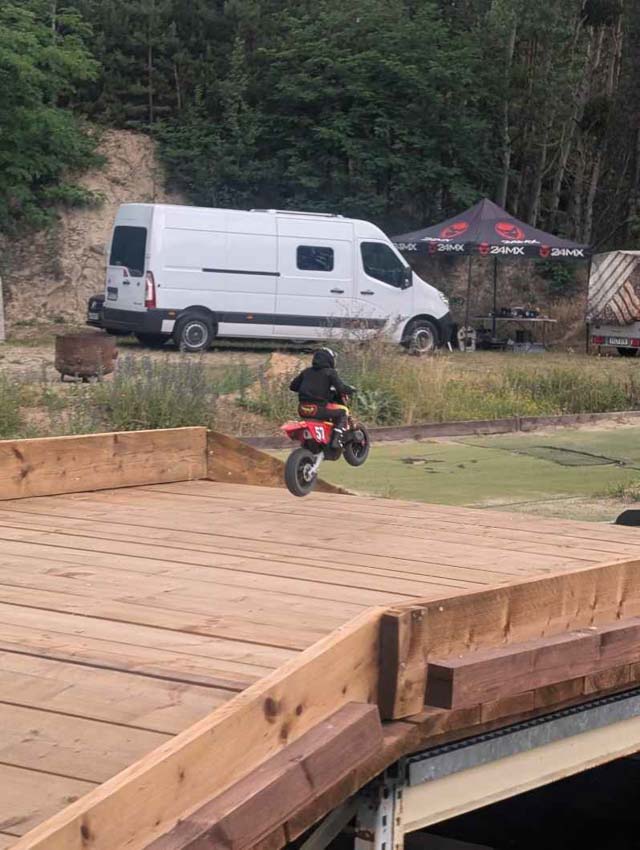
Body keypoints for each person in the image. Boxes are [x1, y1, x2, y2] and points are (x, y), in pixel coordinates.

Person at [289, 347, 354, 447]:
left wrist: (307, 390)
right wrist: (351, 389)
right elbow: (341, 388)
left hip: (302, 409)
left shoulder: (306, 372)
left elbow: (293, 386)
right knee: (342, 413)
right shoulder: (330, 372)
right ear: (329, 359)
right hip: (318, 409)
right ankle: (336, 440)